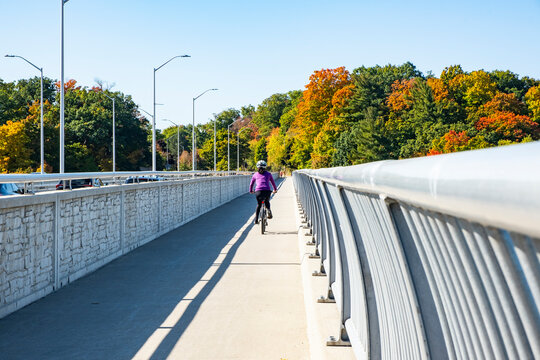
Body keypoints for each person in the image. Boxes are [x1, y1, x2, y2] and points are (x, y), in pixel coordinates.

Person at [249, 160, 277, 224]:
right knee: (267, 201)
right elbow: (273, 183)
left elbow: (251, 184)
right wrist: (275, 189)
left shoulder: (255, 175)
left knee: (259, 204)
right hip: (267, 191)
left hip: (258, 191)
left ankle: (256, 220)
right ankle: (268, 210)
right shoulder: (269, 174)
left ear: (257, 167)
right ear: (265, 167)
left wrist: (250, 190)